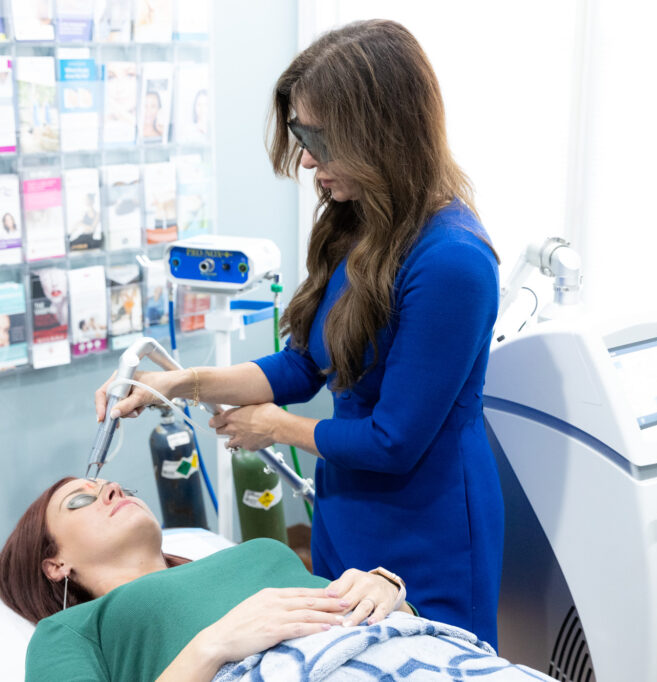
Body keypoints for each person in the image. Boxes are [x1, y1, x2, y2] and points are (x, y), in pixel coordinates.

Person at [95, 19, 504, 646]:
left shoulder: (452, 261)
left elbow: (396, 441)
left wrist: (276, 428)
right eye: (299, 134)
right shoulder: (359, 221)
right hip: (347, 507)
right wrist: (183, 382)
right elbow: (302, 366)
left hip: (427, 524)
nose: (306, 157)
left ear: (379, 132)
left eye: (316, 136)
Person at [0, 477, 415, 680]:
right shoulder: (71, 629)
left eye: (122, 487)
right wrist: (214, 645)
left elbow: (372, 614)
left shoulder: (251, 553)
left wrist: (387, 592)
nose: (113, 491)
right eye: (81, 500)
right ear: (56, 564)